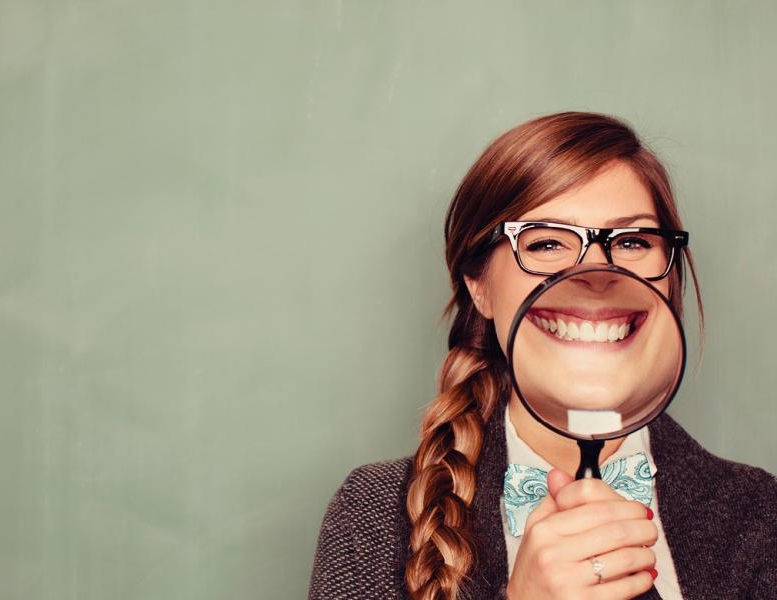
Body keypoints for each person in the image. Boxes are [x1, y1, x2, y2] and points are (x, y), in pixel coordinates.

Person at [307, 112, 777, 600]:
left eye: (633, 241)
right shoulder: (375, 515)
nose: (597, 272)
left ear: (670, 277)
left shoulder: (764, 515)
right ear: (480, 287)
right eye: (547, 242)